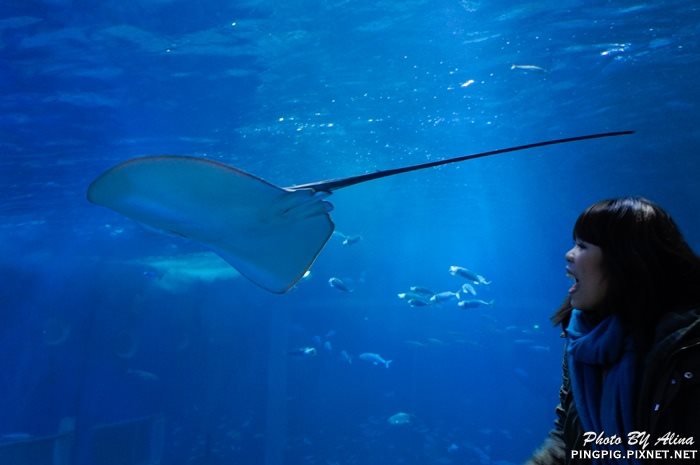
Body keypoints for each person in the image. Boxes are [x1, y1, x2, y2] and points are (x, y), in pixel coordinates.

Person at [526, 197, 700, 465]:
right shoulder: (582, 341)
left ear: (625, 260)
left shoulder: (689, 348)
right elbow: (566, 437)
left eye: (582, 246)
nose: (568, 254)